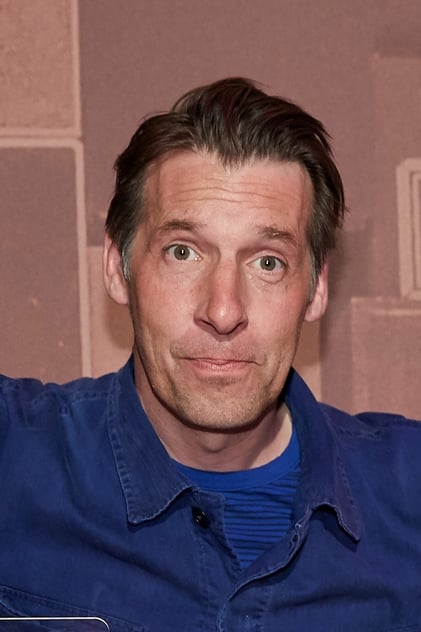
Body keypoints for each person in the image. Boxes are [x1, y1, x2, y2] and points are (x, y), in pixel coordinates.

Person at [1, 77, 420, 632]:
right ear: (117, 268)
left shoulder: (409, 492)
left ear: (317, 288)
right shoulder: (14, 457)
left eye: (267, 262)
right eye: (183, 252)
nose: (223, 311)